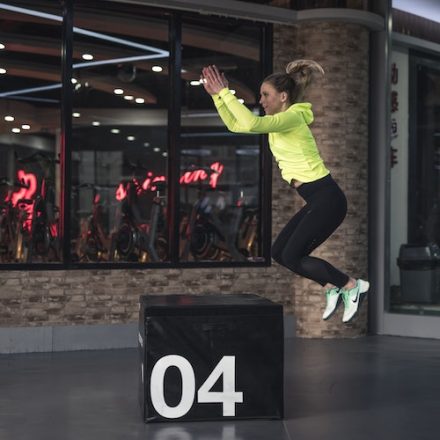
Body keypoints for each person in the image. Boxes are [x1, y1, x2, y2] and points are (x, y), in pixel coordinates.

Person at [201, 61, 369, 323]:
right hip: (318, 199)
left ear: (283, 96)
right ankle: (331, 287)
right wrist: (218, 99)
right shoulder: (276, 122)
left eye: (265, 95)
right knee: (279, 253)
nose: (261, 100)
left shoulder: (291, 118)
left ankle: (351, 285)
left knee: (293, 255)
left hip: (328, 200)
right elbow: (239, 125)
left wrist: (225, 93)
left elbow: (251, 123)